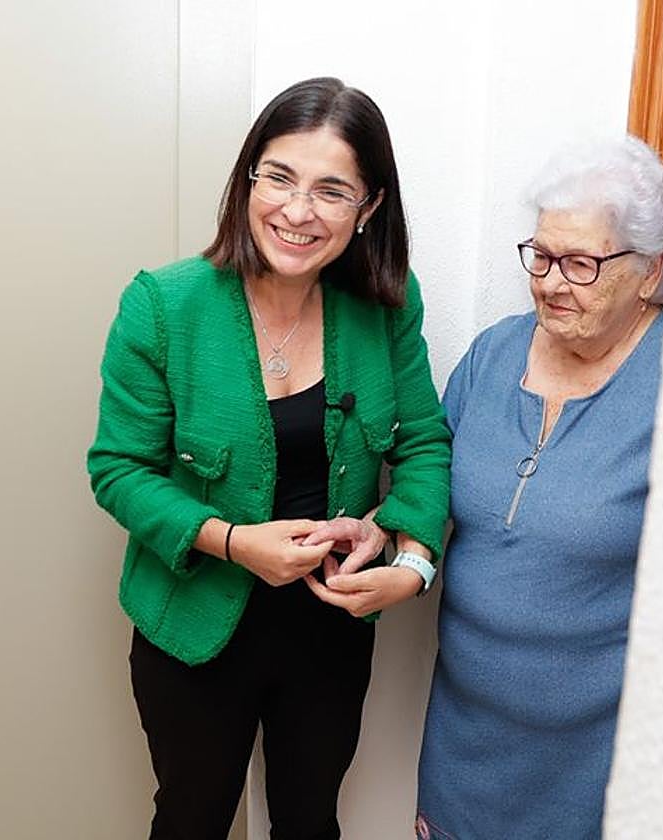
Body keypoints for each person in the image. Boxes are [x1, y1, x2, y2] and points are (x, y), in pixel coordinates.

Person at [87, 77, 451, 840]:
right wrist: (231, 541)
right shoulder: (163, 304)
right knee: (189, 819)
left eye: (331, 190)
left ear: (369, 209)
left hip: (328, 632)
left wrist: (409, 558)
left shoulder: (387, 302)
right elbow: (118, 470)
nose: (296, 210)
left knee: (310, 822)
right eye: (279, 177)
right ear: (248, 177)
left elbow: (423, 443)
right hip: (193, 627)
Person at [415, 136, 663, 840]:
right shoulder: (494, 353)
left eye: (582, 264)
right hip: (464, 741)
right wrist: (388, 545)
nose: (551, 283)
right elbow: (428, 489)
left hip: (594, 760)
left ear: (650, 272)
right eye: (542, 255)